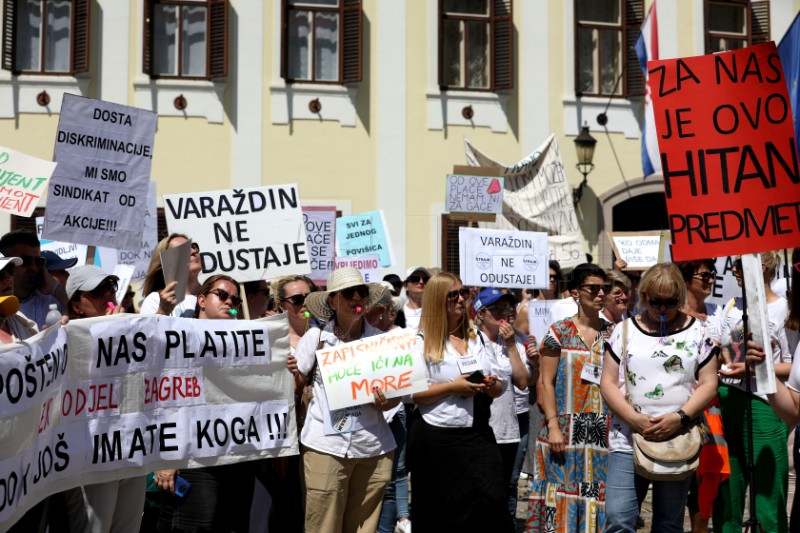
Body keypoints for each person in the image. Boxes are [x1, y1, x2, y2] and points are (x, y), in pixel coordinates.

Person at [600, 263, 719, 533]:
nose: (663, 308)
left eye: (671, 302)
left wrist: (679, 418)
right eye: (656, 302)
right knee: (619, 518)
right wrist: (634, 419)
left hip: (678, 438)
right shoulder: (624, 330)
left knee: (668, 523)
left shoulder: (699, 332)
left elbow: (710, 382)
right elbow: (607, 383)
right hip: (628, 437)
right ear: (644, 296)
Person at [292, 267, 397, 532]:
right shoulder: (316, 339)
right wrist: (290, 373)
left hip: (373, 448)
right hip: (325, 447)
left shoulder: (382, 342)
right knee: (323, 527)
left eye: (361, 292)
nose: (356, 298)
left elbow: (397, 395)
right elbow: (295, 387)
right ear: (332, 300)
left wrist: (387, 400)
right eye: (348, 293)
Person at [409, 272, 508, 532]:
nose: (461, 299)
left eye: (464, 293)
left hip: (477, 434)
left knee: (491, 500)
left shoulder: (478, 337)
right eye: (453, 294)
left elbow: (500, 385)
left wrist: (491, 385)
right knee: (443, 512)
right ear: (437, 300)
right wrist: (454, 387)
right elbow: (413, 394)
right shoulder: (419, 342)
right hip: (437, 437)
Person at [156, 274, 255, 533]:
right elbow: (164, 401)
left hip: (237, 457)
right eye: (222, 295)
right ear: (201, 299)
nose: (229, 302)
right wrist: (166, 457)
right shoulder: (177, 337)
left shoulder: (245, 341)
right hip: (194, 460)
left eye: (235, 299)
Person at [526, 263, 610, 532]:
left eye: (604, 289)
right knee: (559, 500)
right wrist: (552, 426)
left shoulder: (614, 334)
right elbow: (546, 383)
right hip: (563, 428)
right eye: (593, 288)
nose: (600, 294)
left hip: (600, 430)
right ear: (575, 293)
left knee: (596, 499)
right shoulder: (558, 332)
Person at [714, 251, 791, 533]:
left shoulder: (785, 309)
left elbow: (793, 366)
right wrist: (728, 362)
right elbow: (724, 348)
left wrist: (757, 368)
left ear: (763, 266)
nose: (734, 270)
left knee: (767, 489)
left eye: (739, 264)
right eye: (733, 265)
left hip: (764, 403)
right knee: (728, 487)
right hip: (728, 399)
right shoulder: (732, 306)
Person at [64, 266, 140, 533]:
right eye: (97, 291)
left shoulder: (130, 329)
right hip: (93, 454)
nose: (108, 294)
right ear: (76, 305)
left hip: (132, 447)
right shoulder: (67, 337)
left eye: (110, 287)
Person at [675, 258, 726, 533]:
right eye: (704, 275)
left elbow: (729, 355)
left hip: (712, 405)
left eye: (712, 275)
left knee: (706, 476)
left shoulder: (719, 312)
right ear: (685, 279)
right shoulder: (671, 314)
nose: (710, 280)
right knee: (678, 473)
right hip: (679, 403)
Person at [473, 287, 530, 527]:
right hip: (481, 429)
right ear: (480, 313)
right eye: (495, 308)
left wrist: (511, 345)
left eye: (506, 308)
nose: (502, 313)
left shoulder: (513, 341)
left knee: (507, 484)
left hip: (508, 428)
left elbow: (522, 381)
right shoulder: (471, 340)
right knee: (481, 489)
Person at [367, 289, 411, 533]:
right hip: (364, 418)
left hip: (394, 415)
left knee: (391, 480)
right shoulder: (354, 338)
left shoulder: (402, 337)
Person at [0, 231, 63, 328]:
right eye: (25, 261)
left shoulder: (54, 299)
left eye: (38, 261)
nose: (34, 267)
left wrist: (56, 289)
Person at [140, 234, 201, 317]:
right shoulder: (155, 300)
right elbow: (146, 330)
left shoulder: (214, 296)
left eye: (193, 246)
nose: (194, 251)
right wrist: (162, 311)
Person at [403, 266, 430, 332]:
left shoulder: (435, 311)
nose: (421, 282)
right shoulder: (398, 313)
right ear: (406, 286)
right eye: (415, 279)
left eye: (425, 279)